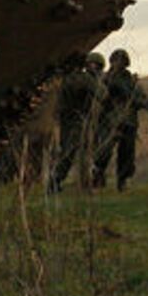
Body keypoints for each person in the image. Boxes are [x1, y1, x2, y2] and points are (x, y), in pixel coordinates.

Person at [49, 52, 105, 192]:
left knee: (69, 152)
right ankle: (55, 181)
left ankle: (58, 181)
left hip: (67, 120)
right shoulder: (85, 79)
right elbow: (103, 94)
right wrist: (96, 79)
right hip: (79, 120)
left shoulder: (67, 78)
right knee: (74, 153)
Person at [94, 49, 145, 190]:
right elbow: (99, 97)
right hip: (109, 120)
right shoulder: (106, 79)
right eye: (116, 60)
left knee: (127, 154)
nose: (118, 64)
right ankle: (98, 176)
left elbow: (141, 100)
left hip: (128, 121)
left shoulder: (131, 81)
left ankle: (123, 180)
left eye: (122, 61)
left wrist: (133, 98)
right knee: (103, 152)